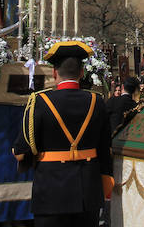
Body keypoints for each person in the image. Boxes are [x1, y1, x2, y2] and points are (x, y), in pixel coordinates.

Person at [13, 40, 113, 226]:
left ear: (54, 73)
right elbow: (105, 147)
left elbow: (22, 150)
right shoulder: (96, 101)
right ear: (81, 73)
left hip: (51, 191)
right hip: (88, 190)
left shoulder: (39, 101)